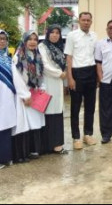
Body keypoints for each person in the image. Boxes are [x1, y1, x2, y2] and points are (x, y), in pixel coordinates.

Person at [65, 12, 97, 150]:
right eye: (83, 20)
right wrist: (70, 78)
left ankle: (88, 134)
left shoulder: (94, 36)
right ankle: (76, 137)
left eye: (88, 20)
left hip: (91, 72)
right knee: (75, 107)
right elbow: (69, 58)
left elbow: (96, 56)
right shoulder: (72, 36)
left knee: (90, 107)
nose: (86, 22)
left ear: (91, 21)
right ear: (79, 21)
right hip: (77, 73)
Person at [12, 31, 45, 159]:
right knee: (25, 123)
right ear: (24, 41)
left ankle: (35, 150)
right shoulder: (18, 57)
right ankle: (24, 153)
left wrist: (42, 88)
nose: (32, 42)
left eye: (35, 39)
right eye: (30, 39)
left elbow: (42, 75)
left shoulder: (38, 56)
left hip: (36, 94)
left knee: (36, 122)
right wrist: (25, 95)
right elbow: (17, 78)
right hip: (24, 95)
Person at [38, 25, 67, 154]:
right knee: (49, 113)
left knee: (57, 113)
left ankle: (57, 145)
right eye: (52, 32)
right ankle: (47, 146)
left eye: (57, 33)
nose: (55, 35)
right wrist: (59, 73)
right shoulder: (42, 47)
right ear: (47, 33)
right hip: (48, 83)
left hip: (58, 83)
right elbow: (44, 65)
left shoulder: (59, 48)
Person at [0, 30, 16, 169]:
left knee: (7, 125)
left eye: (4, 39)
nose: (2, 41)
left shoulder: (9, 58)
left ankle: (6, 157)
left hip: (8, 96)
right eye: (0, 39)